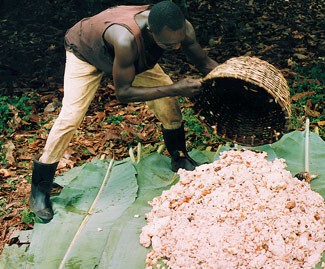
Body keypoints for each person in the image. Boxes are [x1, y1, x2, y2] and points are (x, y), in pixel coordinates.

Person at [29, 1, 219, 223]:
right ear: (151, 31)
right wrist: (177, 87)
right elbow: (124, 93)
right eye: (168, 45)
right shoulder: (125, 38)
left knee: (168, 102)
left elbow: (204, 62)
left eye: (178, 42)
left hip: (131, 61)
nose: (176, 48)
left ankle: (179, 157)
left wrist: (233, 77)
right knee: (70, 117)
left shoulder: (181, 29)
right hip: (86, 53)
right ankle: (39, 191)